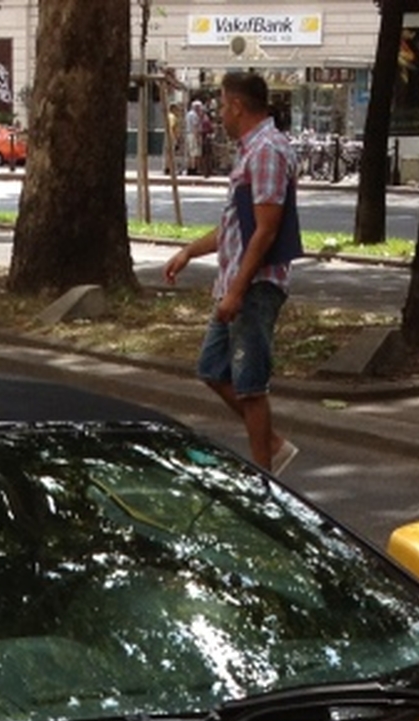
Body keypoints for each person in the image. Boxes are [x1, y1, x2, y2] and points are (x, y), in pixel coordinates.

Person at [163, 72, 303, 475]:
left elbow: (266, 229)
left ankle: (264, 474)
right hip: (238, 284)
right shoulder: (250, 150)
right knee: (212, 368)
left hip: (255, 286)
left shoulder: (266, 151)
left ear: (238, 106)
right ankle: (272, 446)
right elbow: (234, 227)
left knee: (250, 385)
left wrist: (237, 291)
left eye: (223, 104)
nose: (219, 112)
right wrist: (190, 251)